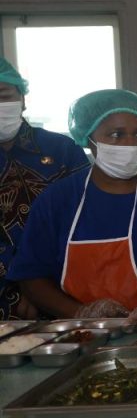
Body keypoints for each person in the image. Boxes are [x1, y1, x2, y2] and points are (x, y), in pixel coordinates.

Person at [8, 90, 137, 330]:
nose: (131, 144)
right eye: (116, 135)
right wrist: (82, 313)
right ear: (88, 138)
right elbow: (31, 274)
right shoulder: (59, 199)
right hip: (85, 334)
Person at [0, 61, 91, 320]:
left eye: (3, 95)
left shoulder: (61, 150)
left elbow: (84, 218)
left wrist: (36, 285)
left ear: (22, 99)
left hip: (61, 292)